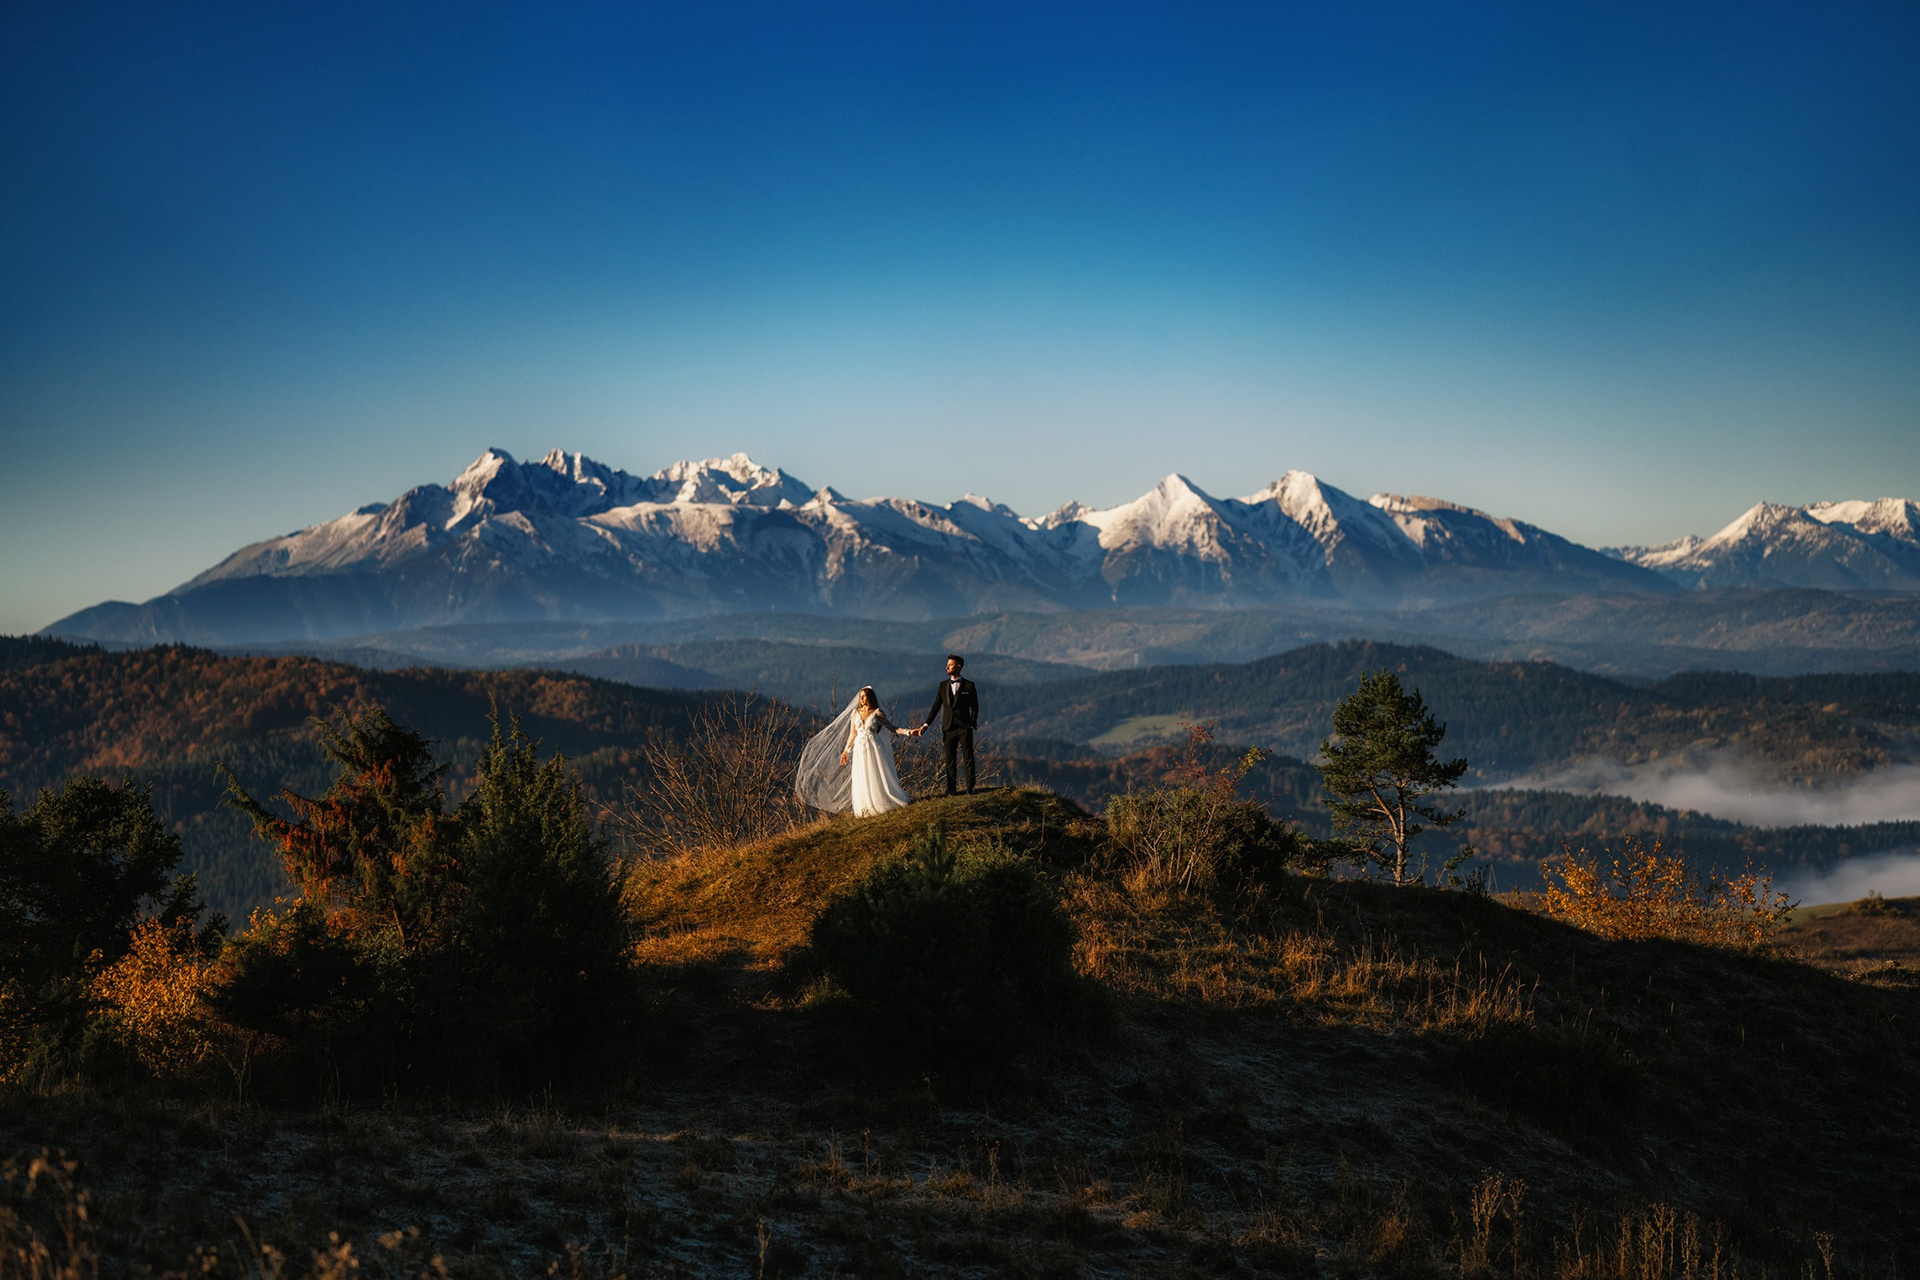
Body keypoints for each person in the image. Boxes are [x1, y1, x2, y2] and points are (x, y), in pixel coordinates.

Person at [793, 686, 913, 816]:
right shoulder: (855, 713)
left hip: (874, 748)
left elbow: (893, 728)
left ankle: (880, 802)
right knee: (862, 775)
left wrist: (909, 732)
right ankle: (866, 806)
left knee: (875, 774)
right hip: (859, 749)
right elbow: (852, 734)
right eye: (860, 697)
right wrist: (846, 751)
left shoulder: (877, 713)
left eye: (864, 696)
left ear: (870, 698)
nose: (861, 699)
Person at [911, 654, 980, 795]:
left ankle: (970, 787)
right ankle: (951, 789)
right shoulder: (943, 686)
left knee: (968, 758)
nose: (947, 667)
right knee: (950, 760)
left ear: (959, 666)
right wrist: (926, 724)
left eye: (950, 665)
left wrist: (972, 723)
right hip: (948, 728)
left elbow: (975, 707)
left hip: (964, 727)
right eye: (947, 664)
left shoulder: (969, 685)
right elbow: (936, 706)